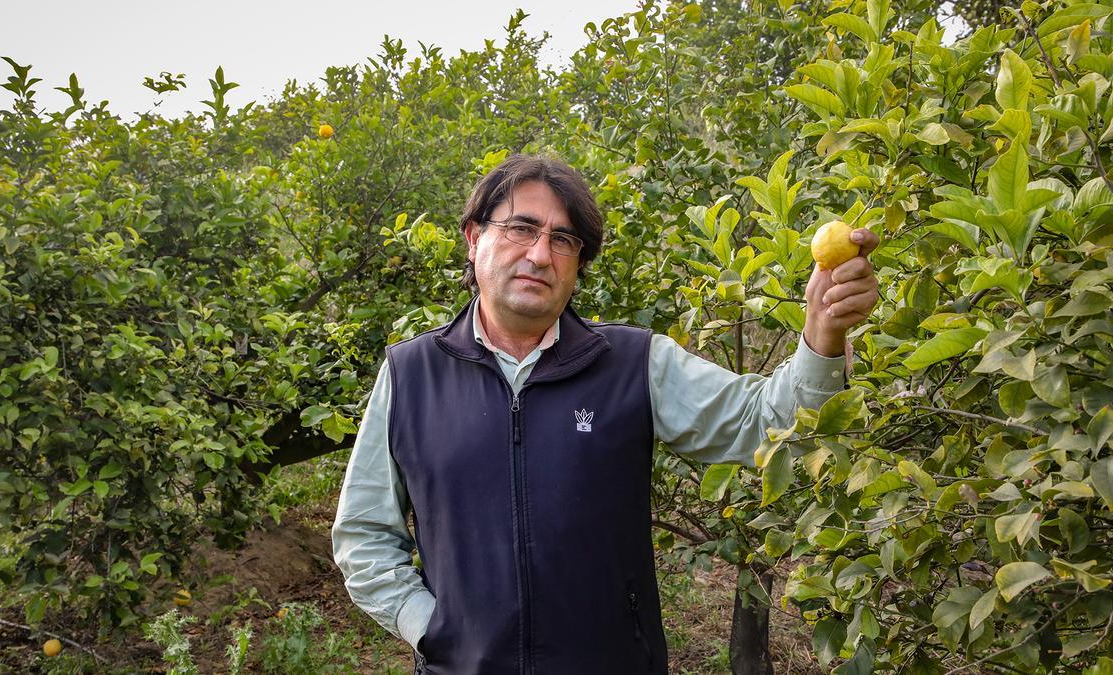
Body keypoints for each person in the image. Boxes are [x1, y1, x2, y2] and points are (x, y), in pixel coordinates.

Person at [332, 154, 880, 674]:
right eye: (521, 228)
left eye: (563, 240)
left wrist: (822, 331)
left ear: (578, 265)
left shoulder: (633, 364)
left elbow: (766, 423)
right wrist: (433, 629)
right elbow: (364, 534)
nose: (540, 254)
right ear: (475, 239)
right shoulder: (411, 375)